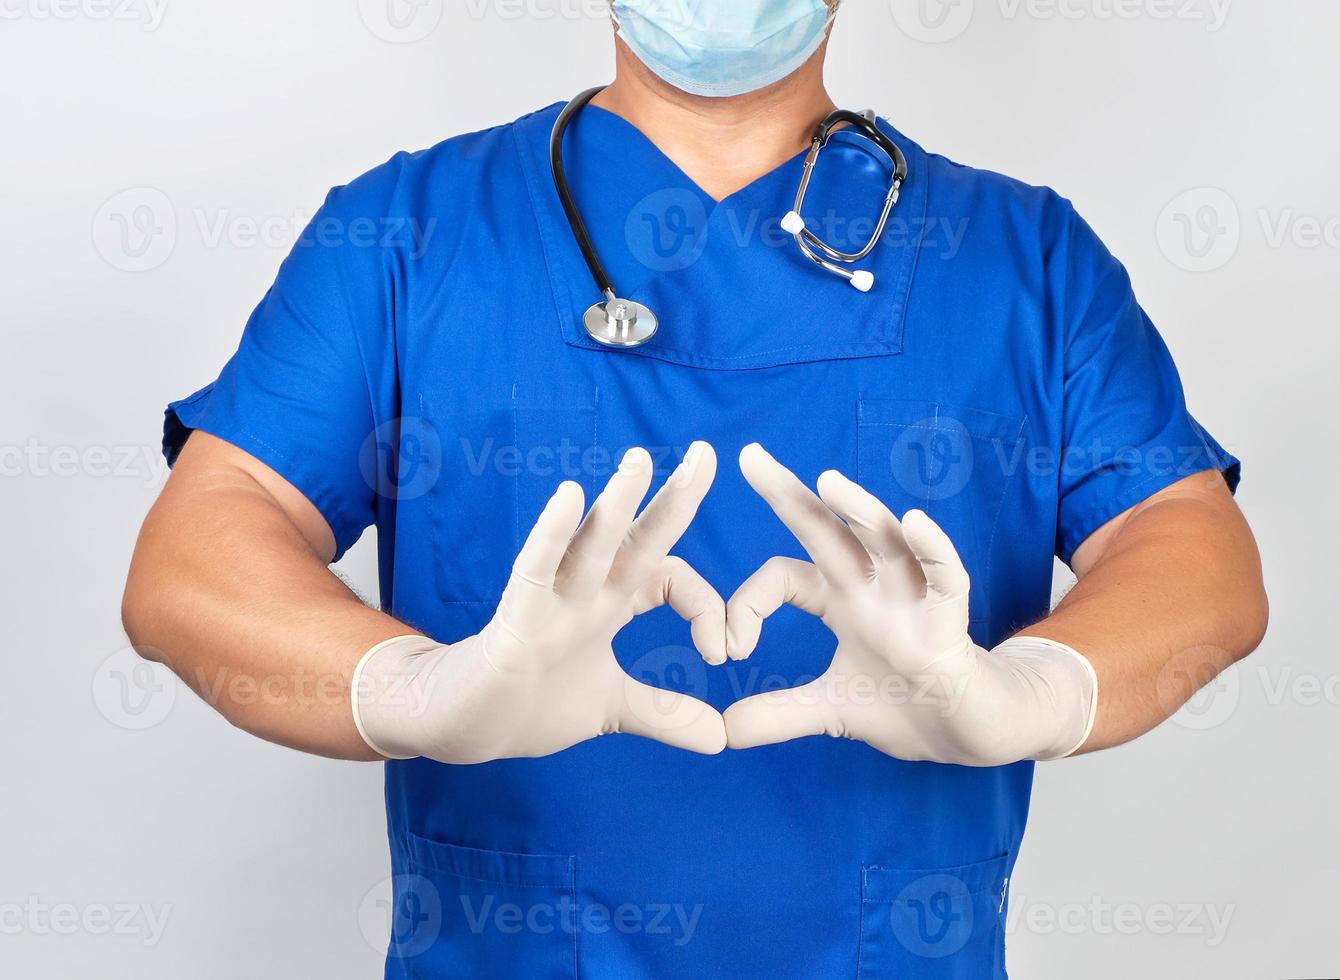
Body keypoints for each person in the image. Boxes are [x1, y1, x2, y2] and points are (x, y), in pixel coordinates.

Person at [122, 1, 1268, 976]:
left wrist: (1033, 690)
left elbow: (1187, 543)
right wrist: (417, 690)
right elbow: (198, 551)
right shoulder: (405, 236)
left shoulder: (1023, 257)